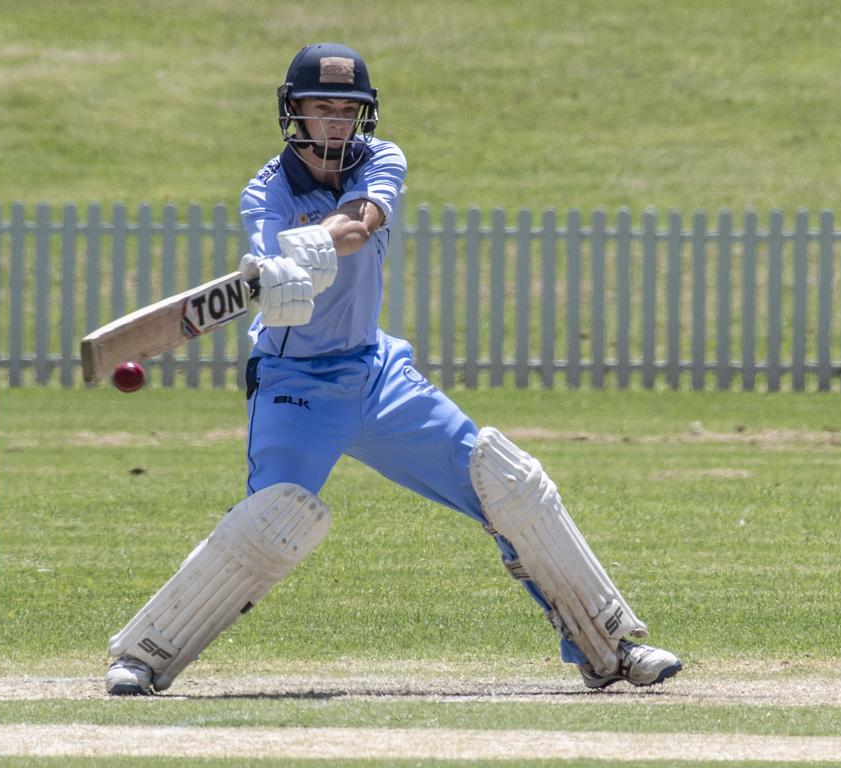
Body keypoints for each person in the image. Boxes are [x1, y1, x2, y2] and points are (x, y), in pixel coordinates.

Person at [104, 43, 681, 695]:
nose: (335, 126)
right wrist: (278, 274)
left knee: (508, 483)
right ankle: (144, 656)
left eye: (348, 112)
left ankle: (607, 648)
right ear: (293, 113)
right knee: (270, 522)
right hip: (295, 390)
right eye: (322, 110)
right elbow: (277, 272)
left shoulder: (382, 159)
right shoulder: (264, 193)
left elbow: (364, 220)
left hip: (378, 376)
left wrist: (316, 242)